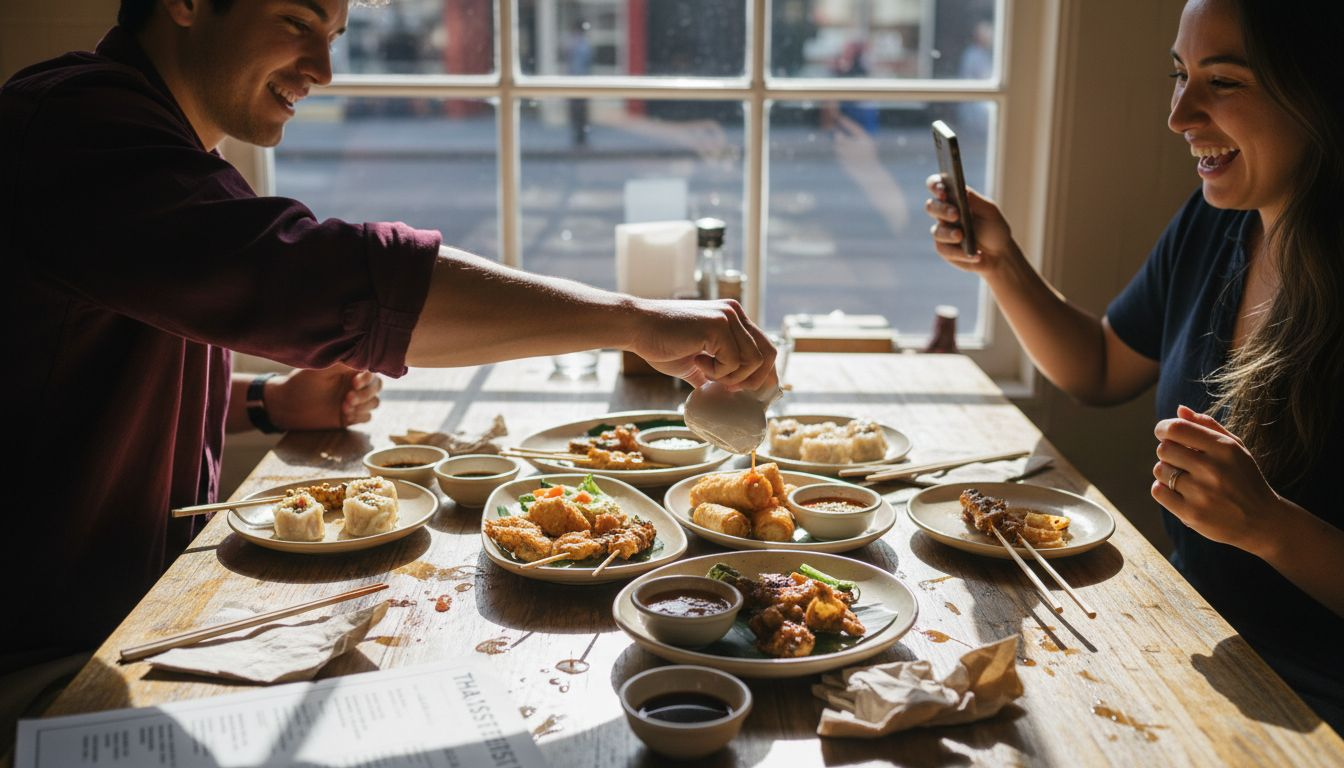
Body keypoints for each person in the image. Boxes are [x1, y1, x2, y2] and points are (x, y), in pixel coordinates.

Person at [0, 0, 776, 689]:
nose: (324, 69)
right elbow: (323, 278)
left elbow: (66, 371)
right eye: (299, 23)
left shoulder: (160, 156)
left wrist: (264, 402)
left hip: (123, 617)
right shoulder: (77, 133)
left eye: (335, 34)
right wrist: (634, 320)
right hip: (43, 658)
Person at [924, 0, 1343, 727]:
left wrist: (1272, 528)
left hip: (1312, 705)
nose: (1180, 115)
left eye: (1224, 82)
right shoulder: (1216, 221)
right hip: (1186, 644)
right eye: (1180, 76)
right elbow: (1099, 367)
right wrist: (1001, 262)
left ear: (1320, 90)